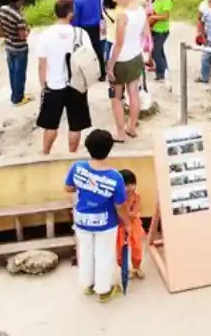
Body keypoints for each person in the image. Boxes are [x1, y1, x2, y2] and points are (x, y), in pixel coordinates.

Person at [65, 129, 127, 302]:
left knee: (85, 252)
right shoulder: (115, 177)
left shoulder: (77, 167)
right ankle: (104, 290)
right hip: (106, 223)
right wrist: (127, 222)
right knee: (104, 254)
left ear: (87, 147)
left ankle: (88, 285)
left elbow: (68, 187)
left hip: (81, 220)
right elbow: (120, 205)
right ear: (110, 149)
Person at [36, 0, 94, 155]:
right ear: (70, 14)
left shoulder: (45, 35)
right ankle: (72, 154)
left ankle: (45, 153)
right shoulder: (80, 33)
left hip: (53, 83)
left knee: (51, 125)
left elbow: (42, 63)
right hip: (77, 83)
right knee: (75, 125)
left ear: (55, 13)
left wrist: (43, 83)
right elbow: (89, 57)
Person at [106, 0, 145, 141]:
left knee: (116, 97)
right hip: (136, 55)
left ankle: (120, 133)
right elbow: (144, 34)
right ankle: (132, 127)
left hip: (122, 59)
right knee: (133, 93)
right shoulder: (141, 10)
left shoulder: (123, 16)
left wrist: (110, 65)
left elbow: (119, 43)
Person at [0, 0, 32, 106]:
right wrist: (28, 30)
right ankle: (19, 98)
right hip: (20, 48)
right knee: (20, 74)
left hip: (9, 46)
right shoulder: (19, 16)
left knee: (12, 73)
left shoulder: (3, 9)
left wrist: (8, 35)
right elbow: (23, 36)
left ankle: (14, 95)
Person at [72, 0, 106, 77]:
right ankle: (103, 72)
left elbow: (76, 15)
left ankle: (87, 73)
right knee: (98, 47)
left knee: (84, 50)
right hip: (98, 24)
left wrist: (75, 28)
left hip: (84, 27)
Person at [116, 168, 145, 291]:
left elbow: (134, 212)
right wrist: (124, 216)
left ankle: (137, 267)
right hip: (120, 225)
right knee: (120, 247)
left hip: (134, 223)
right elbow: (117, 212)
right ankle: (124, 269)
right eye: (126, 185)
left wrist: (126, 215)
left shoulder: (137, 197)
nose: (129, 188)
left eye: (132, 184)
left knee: (137, 245)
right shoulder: (116, 198)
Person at [148, 0, 173, 82]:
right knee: (160, 52)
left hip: (162, 31)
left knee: (156, 53)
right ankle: (164, 70)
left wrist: (153, 17)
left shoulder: (167, 1)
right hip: (155, 29)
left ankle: (161, 73)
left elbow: (165, 16)